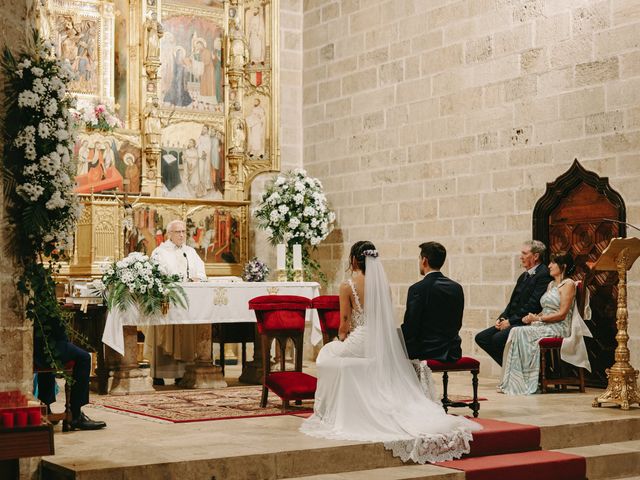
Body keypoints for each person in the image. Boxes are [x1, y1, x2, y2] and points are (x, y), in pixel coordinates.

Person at [300, 241, 480, 464]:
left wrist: (342, 338)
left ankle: (332, 412)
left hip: (361, 339)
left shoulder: (347, 286)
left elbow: (344, 323)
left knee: (327, 355)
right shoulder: (384, 285)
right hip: (382, 340)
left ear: (355, 259)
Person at [498, 252, 577, 394]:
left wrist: (538, 319)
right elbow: (545, 310)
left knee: (520, 331)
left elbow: (562, 314)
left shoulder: (568, 284)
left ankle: (528, 380)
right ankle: (517, 380)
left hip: (560, 326)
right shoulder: (551, 284)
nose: (549, 266)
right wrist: (533, 316)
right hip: (546, 324)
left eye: (553, 263)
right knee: (516, 330)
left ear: (563, 266)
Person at [145, 220, 206, 384]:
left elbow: (201, 272)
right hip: (167, 302)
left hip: (186, 303)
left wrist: (196, 278)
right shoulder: (160, 252)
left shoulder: (190, 252)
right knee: (164, 336)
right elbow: (158, 274)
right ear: (169, 234)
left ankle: (181, 374)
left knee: (184, 337)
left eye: (184, 231)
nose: (181, 235)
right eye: (177, 232)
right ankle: (158, 374)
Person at [475, 240, 552, 366]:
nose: (520, 257)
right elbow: (512, 303)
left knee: (497, 339)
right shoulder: (523, 276)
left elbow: (533, 305)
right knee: (482, 338)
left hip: (527, 321)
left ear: (536, 256)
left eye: (524, 253)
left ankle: (517, 371)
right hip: (512, 320)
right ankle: (512, 370)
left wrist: (511, 322)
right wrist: (502, 318)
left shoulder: (543, 275)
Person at [35, 320, 106, 430]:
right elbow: (57, 328)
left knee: (49, 359)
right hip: (46, 346)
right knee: (84, 357)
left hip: (36, 345)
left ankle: (46, 407)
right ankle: (75, 414)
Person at [401, 242, 463, 362]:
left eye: (419, 259)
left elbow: (411, 326)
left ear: (424, 260)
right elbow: (457, 323)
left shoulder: (417, 289)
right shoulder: (456, 287)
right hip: (452, 351)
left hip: (426, 350)